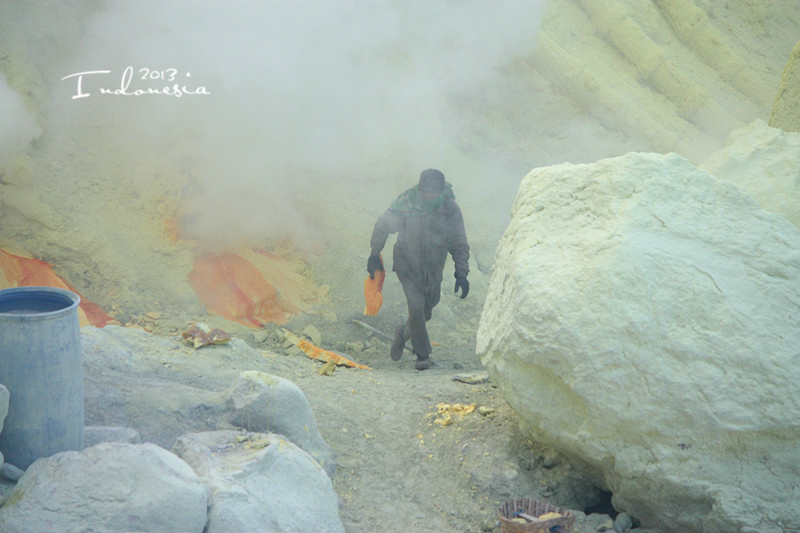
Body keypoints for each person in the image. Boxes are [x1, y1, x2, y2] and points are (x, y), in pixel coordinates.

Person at [367, 168, 470, 370]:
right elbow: (383, 226)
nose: (429, 197)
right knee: (415, 307)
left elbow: (458, 242)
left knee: (425, 311)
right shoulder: (406, 203)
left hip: (434, 267)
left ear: (441, 191)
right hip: (407, 263)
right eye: (425, 192)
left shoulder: (449, 208)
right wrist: (374, 253)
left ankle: (402, 333)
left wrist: (462, 273)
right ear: (420, 189)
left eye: (433, 193)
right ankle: (422, 355)